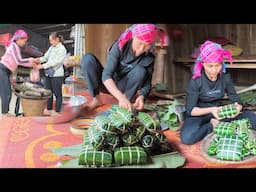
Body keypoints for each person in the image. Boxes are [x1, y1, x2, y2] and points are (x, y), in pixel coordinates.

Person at [180, 40, 256, 145]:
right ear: (203, 64)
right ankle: (211, 125)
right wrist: (212, 110)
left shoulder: (225, 78)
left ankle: (221, 123)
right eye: (210, 66)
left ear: (222, 63)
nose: (214, 70)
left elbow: (234, 97)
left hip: (220, 112)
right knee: (187, 138)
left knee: (253, 120)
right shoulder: (196, 81)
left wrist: (238, 107)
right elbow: (190, 110)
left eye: (217, 65)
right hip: (201, 113)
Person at [81, 24, 168, 112]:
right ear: (133, 36)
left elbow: (147, 84)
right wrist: (120, 97)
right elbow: (106, 76)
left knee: (140, 71)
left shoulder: (149, 57)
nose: (142, 48)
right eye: (140, 43)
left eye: (147, 45)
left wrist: (142, 97)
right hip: (108, 83)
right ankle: (96, 99)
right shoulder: (120, 46)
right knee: (88, 59)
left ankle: (126, 102)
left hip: (125, 88)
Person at [0, 29, 37, 117]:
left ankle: (5, 112)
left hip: (6, 71)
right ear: (19, 39)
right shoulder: (14, 46)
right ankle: (4, 113)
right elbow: (19, 61)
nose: (24, 43)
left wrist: (32, 64)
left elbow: (18, 62)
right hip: (2, 70)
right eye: (24, 41)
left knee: (7, 92)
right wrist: (31, 60)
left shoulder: (14, 46)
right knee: (6, 92)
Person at [34, 32, 67, 116]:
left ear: (57, 39)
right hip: (49, 73)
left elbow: (56, 62)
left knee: (57, 94)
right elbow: (45, 57)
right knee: (48, 92)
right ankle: (49, 109)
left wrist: (42, 66)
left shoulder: (62, 49)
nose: (51, 42)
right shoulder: (52, 47)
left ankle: (57, 111)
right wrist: (38, 60)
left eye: (51, 40)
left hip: (57, 75)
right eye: (50, 41)